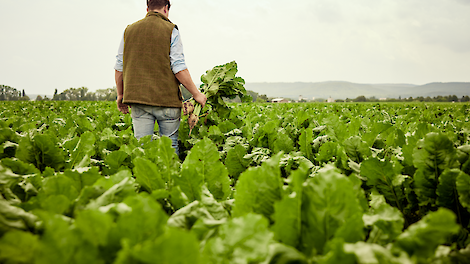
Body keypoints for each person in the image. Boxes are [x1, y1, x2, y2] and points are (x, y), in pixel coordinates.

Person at [114, 0, 206, 155]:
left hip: (138, 100)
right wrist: (196, 94)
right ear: (166, 8)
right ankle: (170, 179)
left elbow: (119, 67)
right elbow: (178, 67)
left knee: (142, 150)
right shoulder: (171, 30)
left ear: (147, 8)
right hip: (167, 101)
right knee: (169, 150)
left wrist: (121, 94)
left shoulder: (129, 30)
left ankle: (144, 179)